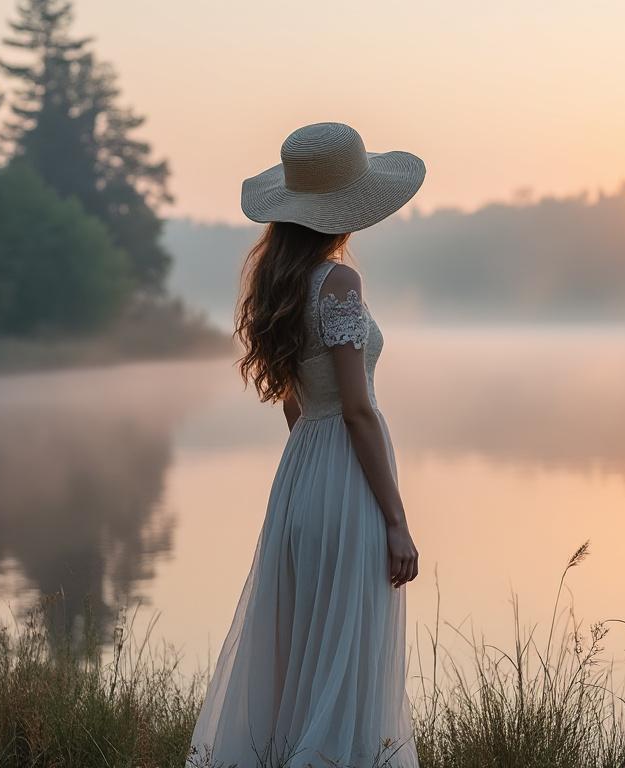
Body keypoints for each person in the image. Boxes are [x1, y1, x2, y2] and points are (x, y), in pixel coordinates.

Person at [190, 122, 426, 768]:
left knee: (302, 645)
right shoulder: (339, 284)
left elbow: (297, 402)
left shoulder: (278, 286)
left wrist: (314, 469)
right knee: (344, 653)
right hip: (347, 478)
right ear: (346, 210)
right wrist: (396, 520)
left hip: (300, 478)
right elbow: (356, 409)